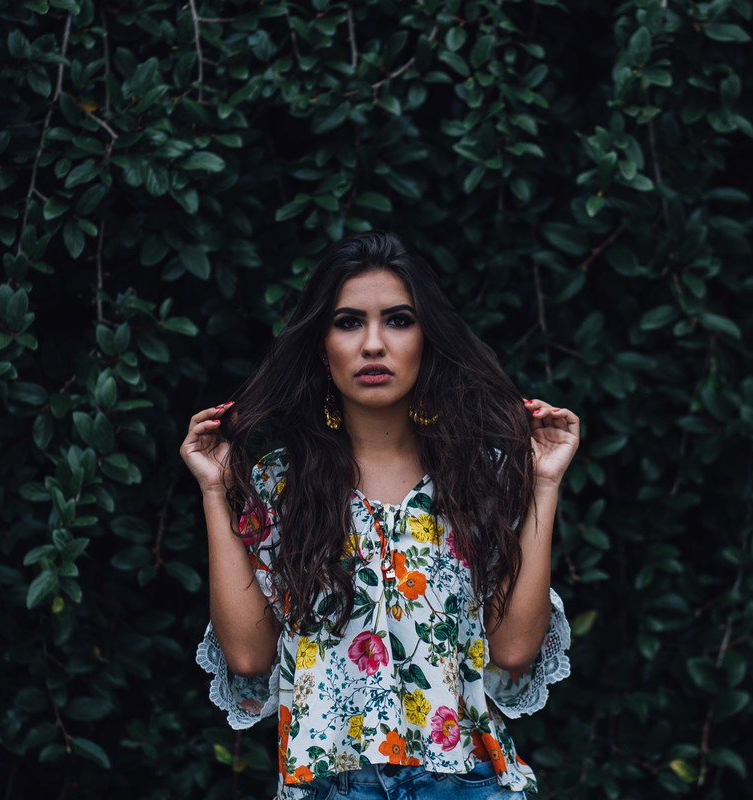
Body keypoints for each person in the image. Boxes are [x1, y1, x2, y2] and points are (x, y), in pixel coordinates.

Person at [181, 232, 579, 799]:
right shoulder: (277, 483)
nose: (373, 344)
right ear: (322, 346)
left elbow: (513, 650)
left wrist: (544, 483)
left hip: (468, 783)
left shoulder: (481, 477)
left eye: (397, 320)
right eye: (348, 322)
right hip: (329, 783)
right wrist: (215, 492)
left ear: (427, 338)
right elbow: (247, 654)